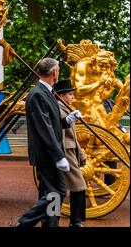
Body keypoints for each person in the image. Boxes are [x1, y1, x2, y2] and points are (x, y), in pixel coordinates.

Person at [15, 58, 82, 227]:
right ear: (54, 72)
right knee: (58, 191)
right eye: (58, 70)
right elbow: (45, 128)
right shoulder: (38, 94)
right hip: (48, 154)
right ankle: (23, 223)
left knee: (49, 192)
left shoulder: (46, 92)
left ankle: (50, 224)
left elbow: (52, 121)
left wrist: (67, 119)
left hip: (48, 152)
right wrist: (59, 156)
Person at [53, 79, 87, 227]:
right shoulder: (58, 109)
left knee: (58, 190)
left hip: (71, 150)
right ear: (61, 95)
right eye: (70, 94)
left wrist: (80, 153)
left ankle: (56, 220)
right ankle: (75, 221)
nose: (73, 97)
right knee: (78, 186)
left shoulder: (68, 109)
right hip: (65, 152)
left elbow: (73, 135)